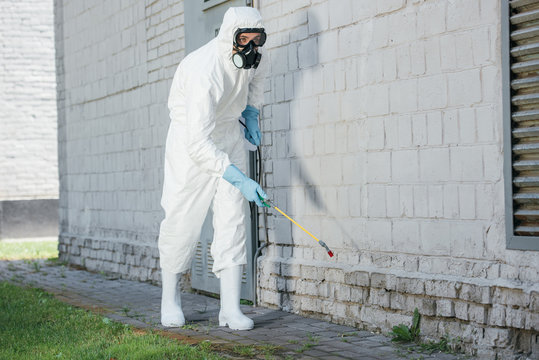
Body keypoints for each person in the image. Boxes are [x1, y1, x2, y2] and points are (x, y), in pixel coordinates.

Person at [157, 7, 267, 331]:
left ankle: (230, 309)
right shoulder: (205, 71)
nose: (250, 48)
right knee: (182, 217)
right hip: (191, 142)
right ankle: (169, 299)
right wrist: (236, 176)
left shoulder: (254, 57)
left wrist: (251, 112)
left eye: (255, 41)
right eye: (243, 40)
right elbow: (198, 142)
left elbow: (255, 79)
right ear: (229, 39)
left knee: (232, 219)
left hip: (228, 133)